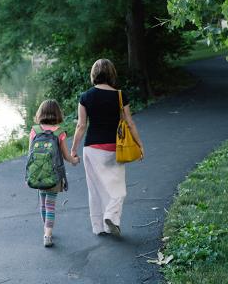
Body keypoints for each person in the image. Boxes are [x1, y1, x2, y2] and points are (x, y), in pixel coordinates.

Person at [70, 59, 144, 236]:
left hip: (92, 148)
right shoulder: (120, 95)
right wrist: (139, 144)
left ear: (94, 74)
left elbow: (81, 126)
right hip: (114, 147)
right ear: (112, 74)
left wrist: (73, 149)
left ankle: (99, 226)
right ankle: (111, 216)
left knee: (95, 188)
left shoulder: (85, 97)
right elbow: (130, 123)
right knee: (117, 187)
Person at [29, 99, 80, 247]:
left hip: (38, 174)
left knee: (43, 205)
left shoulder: (34, 131)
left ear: (40, 113)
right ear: (58, 113)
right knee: (50, 205)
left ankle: (46, 230)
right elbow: (66, 156)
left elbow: (30, 155)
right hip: (54, 175)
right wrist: (75, 160)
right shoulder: (59, 133)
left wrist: (29, 174)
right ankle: (48, 234)